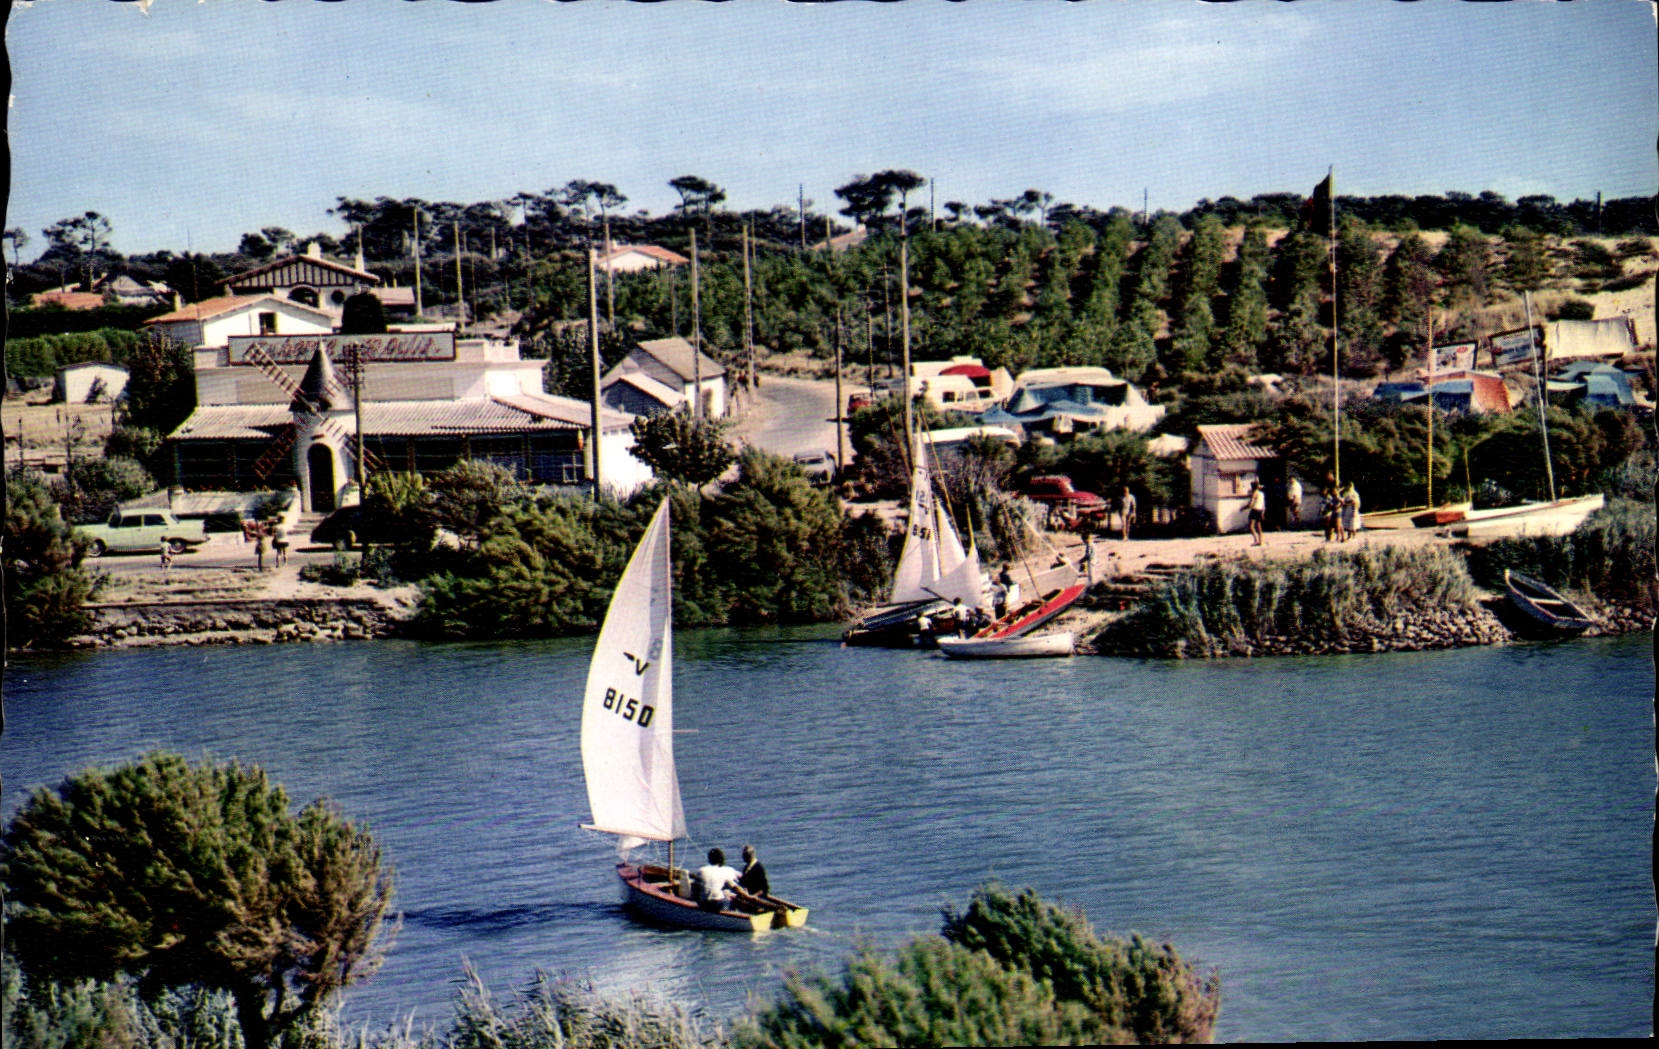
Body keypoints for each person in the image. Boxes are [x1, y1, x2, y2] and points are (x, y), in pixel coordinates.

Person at [1247, 481, 1266, 546]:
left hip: (1255, 510)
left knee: (1251, 526)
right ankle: (1261, 541)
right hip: (1260, 510)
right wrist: (1263, 512)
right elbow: (1263, 504)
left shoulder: (1255, 493)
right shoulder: (1261, 493)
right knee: (1259, 527)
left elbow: (1251, 504)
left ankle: (1255, 540)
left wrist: (1244, 508)